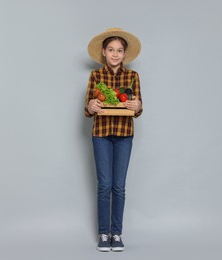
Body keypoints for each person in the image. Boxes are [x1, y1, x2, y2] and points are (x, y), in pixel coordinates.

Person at [84, 28, 143, 252]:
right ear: (104, 52)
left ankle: (116, 233)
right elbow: (88, 108)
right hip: (100, 134)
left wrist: (137, 106)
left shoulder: (133, 77)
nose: (115, 54)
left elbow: (138, 108)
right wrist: (91, 106)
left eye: (119, 50)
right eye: (111, 50)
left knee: (119, 186)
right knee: (104, 186)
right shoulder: (96, 76)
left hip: (124, 135)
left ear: (125, 54)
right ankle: (103, 233)